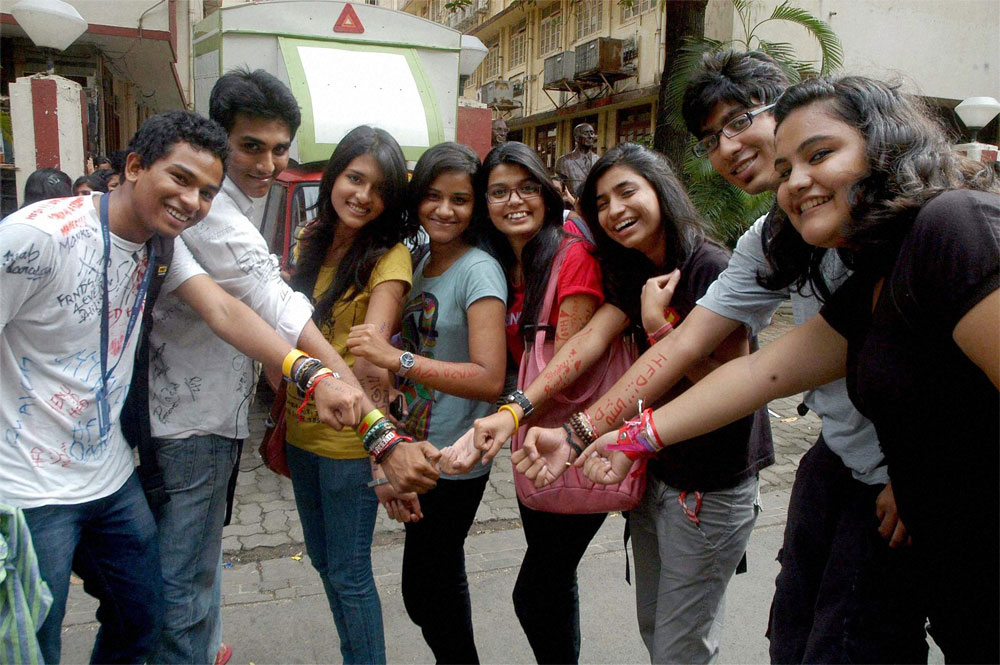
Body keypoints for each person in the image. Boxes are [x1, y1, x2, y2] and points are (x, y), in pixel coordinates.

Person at [518, 50, 931, 664]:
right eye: (712, 137)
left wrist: (919, 466)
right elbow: (759, 369)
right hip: (839, 456)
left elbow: (745, 373)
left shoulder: (944, 227)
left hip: (891, 474)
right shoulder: (768, 239)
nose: (730, 147)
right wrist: (588, 434)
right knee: (790, 636)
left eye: (818, 155)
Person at [0, 109, 362, 665]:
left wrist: (314, 375)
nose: (193, 201)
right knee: (33, 642)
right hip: (29, 489)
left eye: (208, 192)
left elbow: (223, 309)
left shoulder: (162, 245)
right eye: (181, 179)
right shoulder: (36, 238)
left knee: (142, 614)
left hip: (110, 478)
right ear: (136, 166)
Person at [146, 69, 387, 665]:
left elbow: (264, 313)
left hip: (242, 424)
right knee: (184, 579)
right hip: (192, 425)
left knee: (208, 571)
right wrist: (372, 423)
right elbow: (268, 306)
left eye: (280, 149)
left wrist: (373, 422)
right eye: (251, 146)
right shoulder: (218, 213)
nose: (268, 163)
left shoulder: (385, 256)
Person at [499, 143, 773, 664]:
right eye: (601, 202)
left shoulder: (708, 267)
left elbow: (736, 388)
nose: (615, 210)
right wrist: (518, 410)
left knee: (678, 647)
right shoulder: (634, 269)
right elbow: (588, 342)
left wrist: (659, 328)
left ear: (660, 189)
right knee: (656, 628)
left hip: (710, 485)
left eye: (628, 192)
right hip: (653, 470)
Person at [346, 142, 507, 663]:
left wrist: (398, 360)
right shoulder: (416, 262)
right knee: (430, 588)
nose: (444, 210)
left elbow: (489, 378)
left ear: (475, 207)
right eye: (433, 197)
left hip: (453, 460)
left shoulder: (479, 270)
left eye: (459, 200)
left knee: (428, 591)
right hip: (415, 450)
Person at [284, 125, 427, 665]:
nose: (363, 196)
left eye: (380, 189)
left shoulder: (388, 259)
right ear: (334, 176)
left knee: (348, 571)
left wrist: (380, 455)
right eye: (355, 178)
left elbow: (370, 360)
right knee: (323, 561)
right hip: (302, 433)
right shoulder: (310, 240)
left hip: (349, 443)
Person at [461, 141, 607, 664]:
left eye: (526, 188)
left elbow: (568, 363)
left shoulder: (572, 258)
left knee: (534, 593)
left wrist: (506, 414)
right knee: (553, 582)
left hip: (577, 440)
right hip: (534, 443)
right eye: (498, 192)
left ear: (547, 194)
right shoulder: (506, 265)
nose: (513, 201)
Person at [554, 123, 598, 195]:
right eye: (586, 133)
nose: (590, 136)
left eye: (592, 133)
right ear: (576, 137)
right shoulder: (564, 161)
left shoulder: (598, 160)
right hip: (572, 202)